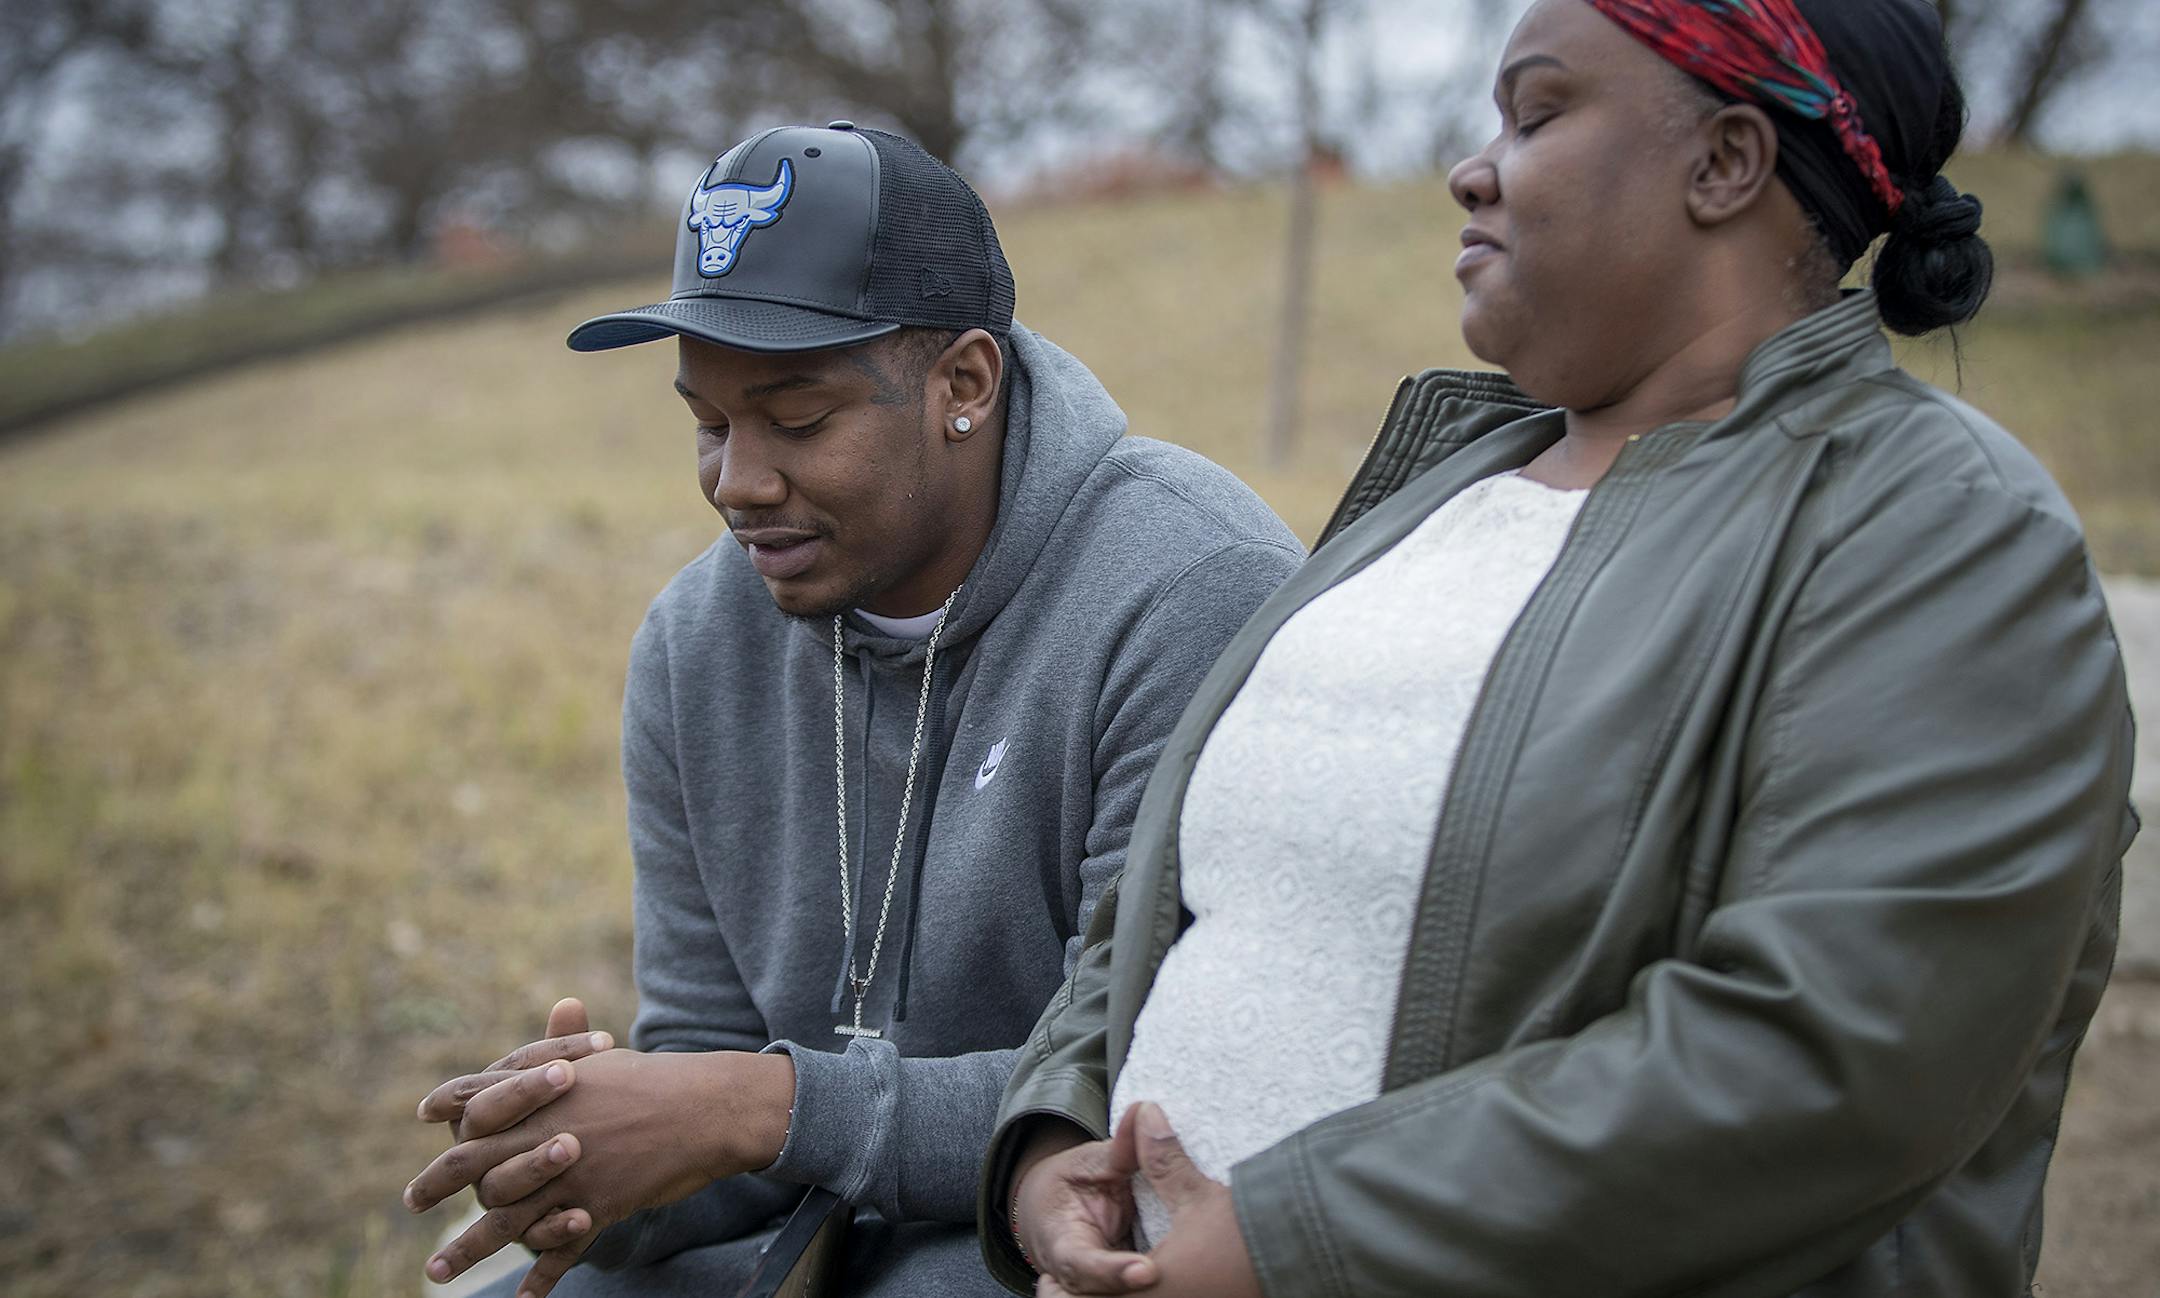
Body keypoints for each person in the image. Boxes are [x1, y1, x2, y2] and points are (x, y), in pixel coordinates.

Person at [983, 2, 2140, 1295]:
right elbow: (1175, 894)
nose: (1470, 168)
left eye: (1536, 113)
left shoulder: (1934, 524)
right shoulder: (1440, 495)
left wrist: (1299, 1240)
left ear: (1726, 163)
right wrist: (1055, 1138)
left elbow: (1839, 1053)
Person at [396, 121, 1304, 1297]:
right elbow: (713, 1073)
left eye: (800, 419)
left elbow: (1157, 1081)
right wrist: (595, 1163)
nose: (738, 483)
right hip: (798, 1238)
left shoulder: (1184, 589)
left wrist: (752, 1108)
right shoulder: (694, 645)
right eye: (709, 425)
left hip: (1058, 1234)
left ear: (962, 384)